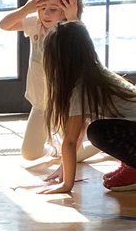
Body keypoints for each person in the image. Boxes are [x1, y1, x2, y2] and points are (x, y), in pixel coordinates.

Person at [36, 20, 136, 195]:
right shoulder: (95, 74)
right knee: (101, 127)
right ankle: (130, 164)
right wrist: (64, 168)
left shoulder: (80, 87)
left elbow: (70, 140)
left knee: (98, 131)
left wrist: (67, 185)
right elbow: (77, 133)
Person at [0, 0, 83, 164]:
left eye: (53, 9)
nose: (46, 14)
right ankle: (55, 150)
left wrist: (72, 19)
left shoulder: (72, 30)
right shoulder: (36, 25)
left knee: (74, 152)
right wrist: (27, 8)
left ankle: (96, 145)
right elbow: (4, 25)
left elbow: (81, 50)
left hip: (66, 104)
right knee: (30, 153)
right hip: (41, 103)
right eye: (42, 8)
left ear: (68, 9)